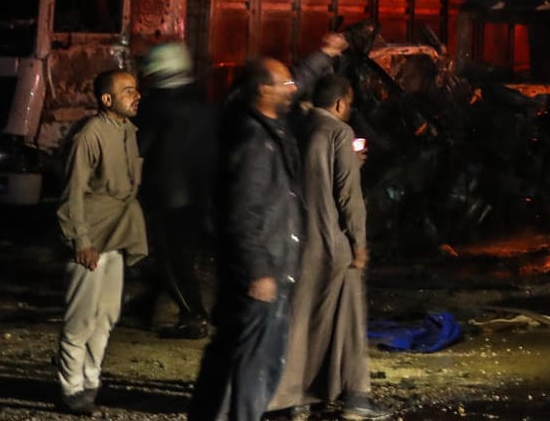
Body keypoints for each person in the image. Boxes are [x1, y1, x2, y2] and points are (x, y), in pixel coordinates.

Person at [188, 59, 304, 421]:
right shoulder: (254, 141)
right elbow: (242, 210)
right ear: (263, 90)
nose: (293, 89)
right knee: (254, 367)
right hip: (262, 273)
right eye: (285, 84)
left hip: (274, 266)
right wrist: (259, 269)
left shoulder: (269, 129)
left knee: (242, 358)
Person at [269, 75, 382, 420]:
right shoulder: (339, 133)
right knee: (347, 320)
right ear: (340, 104)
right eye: (349, 105)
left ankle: (295, 396)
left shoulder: (295, 129)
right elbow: (348, 195)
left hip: (295, 241)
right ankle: (355, 397)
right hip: (333, 241)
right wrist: (359, 242)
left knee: (300, 319)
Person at [56, 68, 149, 415]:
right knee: (81, 318)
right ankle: (71, 388)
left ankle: (90, 383)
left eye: (136, 90)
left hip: (116, 236)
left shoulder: (127, 131)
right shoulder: (90, 135)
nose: (136, 96)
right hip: (92, 238)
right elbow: (72, 195)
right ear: (106, 99)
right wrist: (80, 239)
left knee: (106, 316)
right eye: (127, 91)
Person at [136, 43, 215, 339]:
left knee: (172, 259)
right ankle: (146, 306)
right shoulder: (200, 99)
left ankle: (193, 315)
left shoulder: (156, 104)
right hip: (197, 191)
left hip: (168, 193)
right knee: (178, 255)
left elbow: (140, 147)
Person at [291, 33, 347, 112]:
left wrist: (284, 83)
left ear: (340, 52)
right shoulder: (323, 59)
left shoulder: (319, 59)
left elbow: (295, 85)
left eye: (339, 36)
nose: (333, 35)